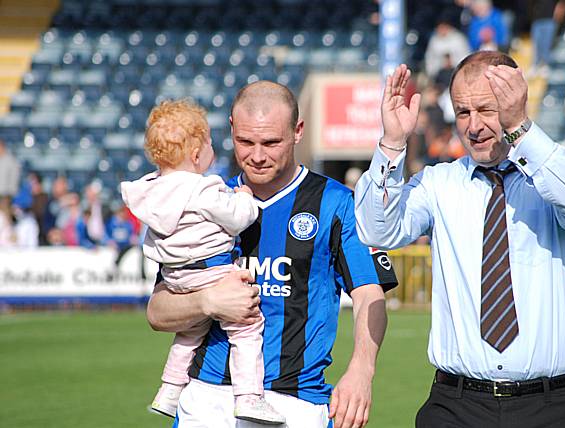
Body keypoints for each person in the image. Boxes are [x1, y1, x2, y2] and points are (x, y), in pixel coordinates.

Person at [354, 52, 565, 427]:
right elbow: (377, 230)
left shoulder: (554, 176)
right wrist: (391, 144)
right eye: (463, 112)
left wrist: (520, 126)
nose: (473, 126)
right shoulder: (438, 184)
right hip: (456, 406)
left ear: (514, 101)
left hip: (550, 407)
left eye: (487, 109)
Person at [146, 81, 397, 428]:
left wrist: (361, 370)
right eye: (245, 142)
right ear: (231, 129)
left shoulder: (337, 203)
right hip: (208, 399)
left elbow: (370, 292)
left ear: (298, 131)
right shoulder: (204, 200)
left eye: (271, 142)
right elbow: (158, 311)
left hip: (296, 403)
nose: (258, 155)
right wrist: (207, 302)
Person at [121, 100, 284, 424]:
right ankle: (250, 397)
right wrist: (244, 198)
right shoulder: (203, 188)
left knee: (190, 332)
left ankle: (169, 390)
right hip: (212, 269)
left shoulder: (150, 191)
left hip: (176, 277)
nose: (213, 148)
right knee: (247, 326)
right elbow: (239, 219)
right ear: (196, 154)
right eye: (209, 142)